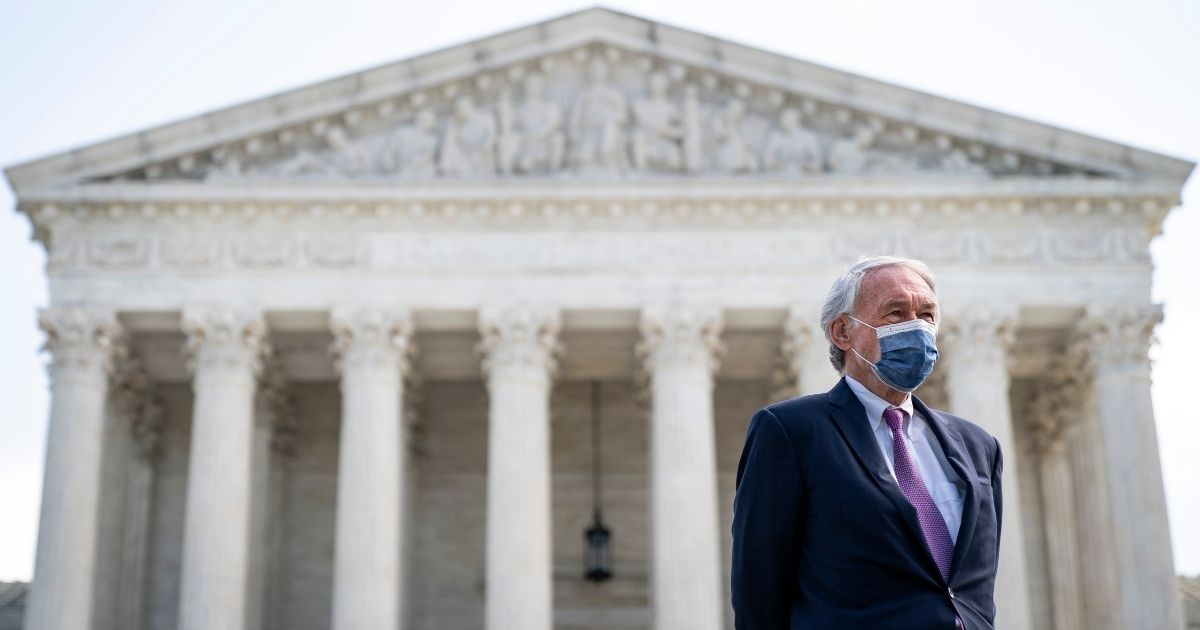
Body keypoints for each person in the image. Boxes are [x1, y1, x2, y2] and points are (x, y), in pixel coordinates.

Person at [731, 256, 1002, 630]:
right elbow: (759, 589)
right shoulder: (791, 431)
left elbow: (975, 588)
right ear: (842, 332)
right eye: (895, 313)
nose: (916, 327)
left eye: (927, 315)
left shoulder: (978, 446)